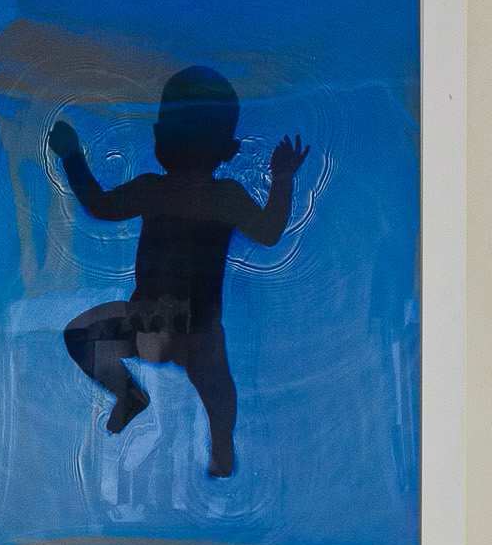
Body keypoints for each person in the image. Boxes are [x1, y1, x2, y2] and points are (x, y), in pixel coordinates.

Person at [49, 63, 307, 482]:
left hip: (161, 323)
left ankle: (140, 401)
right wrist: (281, 180)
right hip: (190, 330)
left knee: (80, 336)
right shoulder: (221, 197)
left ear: (157, 138)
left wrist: (72, 157)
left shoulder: (164, 190)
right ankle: (171, 418)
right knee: (218, 396)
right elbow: (270, 232)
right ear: (228, 150)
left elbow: (96, 204)